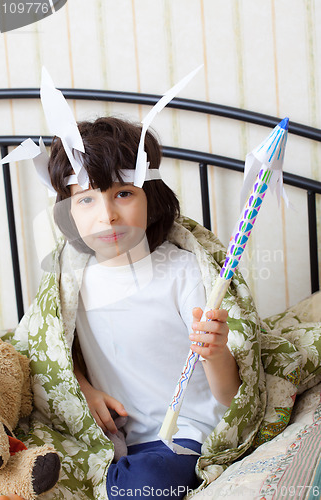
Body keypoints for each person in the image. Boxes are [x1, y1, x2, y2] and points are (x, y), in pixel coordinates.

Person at [48, 116, 241, 499]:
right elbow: (44, 355)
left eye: (123, 193)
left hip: (183, 435)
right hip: (113, 441)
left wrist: (216, 352)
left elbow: (231, 395)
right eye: (86, 199)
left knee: (148, 483)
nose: (107, 215)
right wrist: (83, 388)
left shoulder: (182, 272)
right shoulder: (69, 279)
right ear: (69, 211)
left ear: (151, 196)